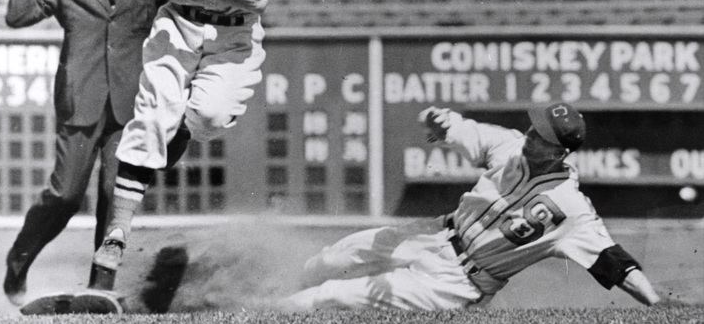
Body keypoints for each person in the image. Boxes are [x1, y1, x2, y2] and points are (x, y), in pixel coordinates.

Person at [89, 0, 282, 291]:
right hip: (177, 22)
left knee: (208, 117)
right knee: (152, 115)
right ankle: (114, 239)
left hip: (233, 34)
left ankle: (168, 139)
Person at [281, 103, 662, 311]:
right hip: (434, 233)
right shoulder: (510, 146)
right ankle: (264, 295)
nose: (531, 136)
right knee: (332, 258)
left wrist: (659, 307)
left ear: (560, 152)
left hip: (456, 283)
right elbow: (464, 131)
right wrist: (443, 122)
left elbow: (616, 264)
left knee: (333, 295)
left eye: (542, 137)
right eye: (534, 128)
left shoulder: (573, 211)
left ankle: (264, 314)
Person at [2, 0, 189, 306]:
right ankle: (19, 259)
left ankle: (100, 286)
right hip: (81, 102)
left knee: (113, 192)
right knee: (66, 195)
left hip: (129, 105)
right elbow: (17, 15)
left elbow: (185, 14)